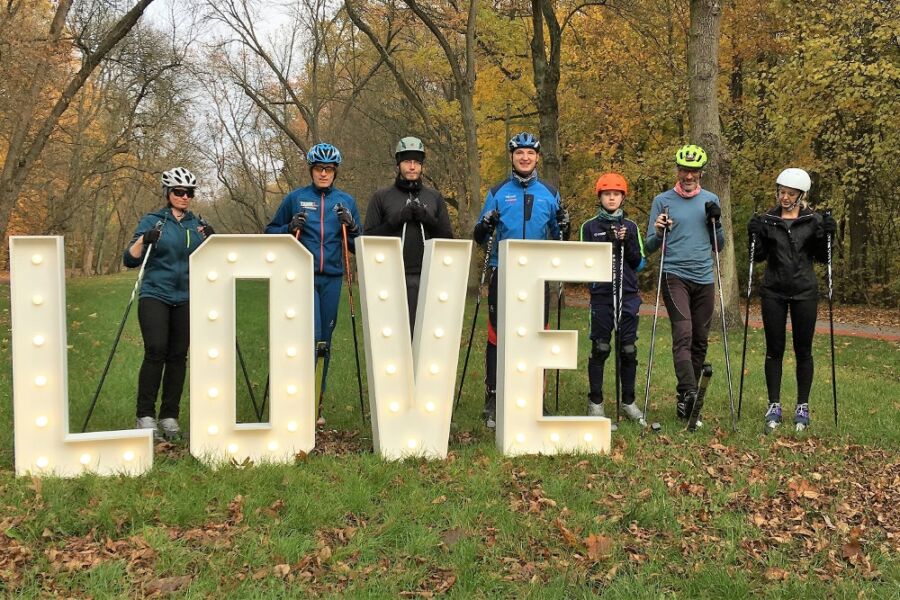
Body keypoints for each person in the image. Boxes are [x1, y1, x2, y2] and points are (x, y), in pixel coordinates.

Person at [473, 131, 568, 428]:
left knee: (540, 335)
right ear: (512, 157)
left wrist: (567, 223)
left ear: (537, 157)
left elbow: (559, 236)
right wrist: (485, 224)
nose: (525, 157)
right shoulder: (498, 191)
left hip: (538, 274)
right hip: (504, 269)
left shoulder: (550, 193)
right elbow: (479, 236)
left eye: (530, 153)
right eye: (519, 153)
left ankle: (537, 398)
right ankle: (494, 397)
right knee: (497, 334)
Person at [265, 143, 361, 425]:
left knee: (324, 342)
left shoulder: (345, 201)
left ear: (335, 172)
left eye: (328, 169)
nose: (323, 173)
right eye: (319, 168)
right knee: (310, 335)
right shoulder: (296, 198)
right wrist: (288, 226)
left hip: (332, 278)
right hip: (301, 276)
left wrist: (352, 225)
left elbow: (357, 244)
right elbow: (270, 232)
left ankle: (315, 405)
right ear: (311, 170)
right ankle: (295, 399)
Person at [125, 167, 214, 440]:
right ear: (168, 193)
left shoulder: (196, 226)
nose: (184, 196)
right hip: (155, 293)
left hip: (187, 297)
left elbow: (213, 259)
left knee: (178, 356)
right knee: (156, 350)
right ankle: (145, 416)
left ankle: (169, 417)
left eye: (189, 192)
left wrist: (212, 238)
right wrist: (144, 238)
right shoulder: (154, 221)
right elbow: (130, 258)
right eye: (179, 191)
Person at [747, 168, 836, 433]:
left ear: (801, 195)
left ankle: (802, 405)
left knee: (803, 350)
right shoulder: (768, 220)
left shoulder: (813, 220)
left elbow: (823, 256)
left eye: (790, 193)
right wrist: (752, 234)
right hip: (773, 290)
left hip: (804, 291)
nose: (784, 197)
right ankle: (774, 403)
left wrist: (830, 234)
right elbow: (758, 257)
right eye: (781, 192)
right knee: (774, 349)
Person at [644, 144, 725, 425]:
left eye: (693, 171)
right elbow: (649, 246)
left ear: (701, 172)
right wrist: (657, 231)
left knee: (701, 340)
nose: (688, 176)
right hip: (674, 274)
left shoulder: (711, 199)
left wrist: (715, 222)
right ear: (677, 171)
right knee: (684, 333)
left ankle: (684, 404)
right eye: (683, 170)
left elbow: (720, 245)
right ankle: (689, 392)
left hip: (704, 277)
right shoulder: (662, 201)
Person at [363, 136, 454, 332]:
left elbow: (448, 238)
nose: (412, 167)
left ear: (421, 166)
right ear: (398, 164)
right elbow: (367, 239)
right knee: (392, 332)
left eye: (417, 162)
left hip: (428, 274)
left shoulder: (434, 197)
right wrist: (395, 220)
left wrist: (427, 219)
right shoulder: (382, 196)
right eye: (407, 162)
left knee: (426, 332)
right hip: (390, 275)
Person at [580, 173, 646, 430]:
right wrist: (607, 243)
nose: (611, 198)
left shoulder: (631, 226)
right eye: (607, 194)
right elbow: (583, 262)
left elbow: (639, 263)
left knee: (628, 349)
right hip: (602, 296)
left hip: (628, 293)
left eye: (616, 194)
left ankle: (628, 402)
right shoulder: (589, 226)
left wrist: (626, 242)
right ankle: (595, 402)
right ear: (600, 197)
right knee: (601, 347)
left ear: (622, 197)